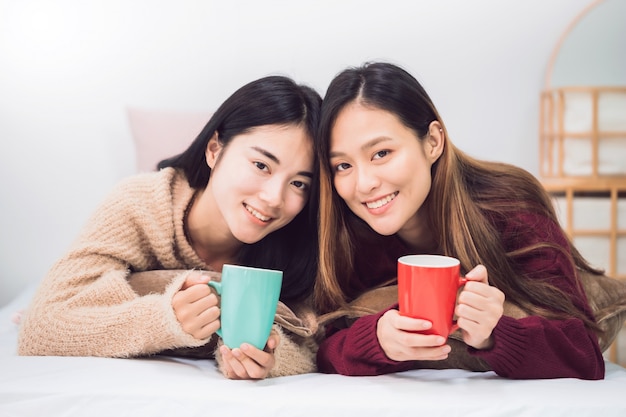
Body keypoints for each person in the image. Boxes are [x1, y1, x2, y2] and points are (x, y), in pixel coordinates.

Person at [313, 62, 605, 380]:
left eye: (381, 153)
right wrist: (377, 340)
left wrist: (494, 334)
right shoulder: (346, 231)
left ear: (433, 142)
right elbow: (323, 348)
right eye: (343, 165)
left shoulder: (509, 205)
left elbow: (584, 352)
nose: (364, 184)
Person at [18, 75, 322, 380]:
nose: (273, 198)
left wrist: (270, 358)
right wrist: (165, 321)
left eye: (298, 183)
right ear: (215, 149)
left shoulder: (300, 241)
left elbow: (311, 341)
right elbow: (41, 326)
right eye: (261, 165)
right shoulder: (139, 204)